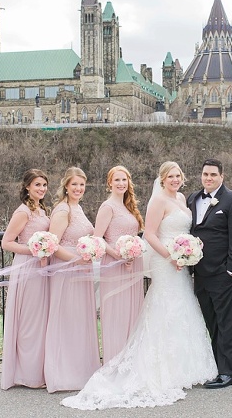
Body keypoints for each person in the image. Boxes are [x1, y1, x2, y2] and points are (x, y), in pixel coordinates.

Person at [61, 161, 216, 409]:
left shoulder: (183, 199)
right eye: (170, 176)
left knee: (182, 307)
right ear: (162, 179)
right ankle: (160, 367)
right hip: (165, 261)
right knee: (164, 306)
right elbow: (151, 234)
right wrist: (170, 255)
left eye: (178, 176)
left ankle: (183, 367)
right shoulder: (157, 201)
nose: (175, 180)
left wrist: (187, 251)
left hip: (180, 262)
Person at [188, 158, 232, 389]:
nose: (209, 178)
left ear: (221, 176)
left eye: (213, 174)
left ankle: (228, 373)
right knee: (211, 324)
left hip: (224, 275)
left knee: (227, 324)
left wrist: (231, 271)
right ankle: (215, 367)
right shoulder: (193, 198)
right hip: (200, 274)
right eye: (205, 174)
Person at [44, 167, 101, 392]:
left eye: (82, 185)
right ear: (66, 186)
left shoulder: (78, 208)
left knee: (80, 319)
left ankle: (81, 370)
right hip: (66, 270)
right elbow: (53, 245)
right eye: (74, 184)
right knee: (66, 318)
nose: (78, 189)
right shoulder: (62, 210)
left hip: (82, 269)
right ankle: (62, 373)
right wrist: (75, 260)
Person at [0, 169, 51, 390]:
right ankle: (27, 375)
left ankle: (37, 370)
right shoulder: (23, 212)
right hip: (27, 268)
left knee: (40, 320)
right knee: (29, 321)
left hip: (41, 269)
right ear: (28, 187)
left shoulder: (41, 210)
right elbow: (7, 242)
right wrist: (34, 250)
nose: (41, 189)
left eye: (44, 185)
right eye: (37, 185)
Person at [97, 165, 145, 363]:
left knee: (132, 313)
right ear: (110, 183)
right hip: (114, 266)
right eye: (117, 180)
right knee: (117, 313)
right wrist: (119, 255)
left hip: (133, 264)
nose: (121, 183)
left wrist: (133, 251)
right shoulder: (107, 207)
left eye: (124, 180)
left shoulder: (128, 206)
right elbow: (97, 238)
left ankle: (130, 361)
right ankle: (114, 362)